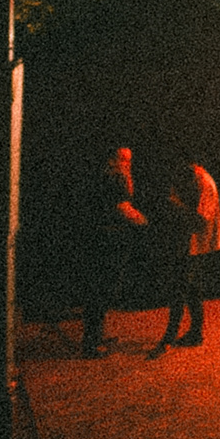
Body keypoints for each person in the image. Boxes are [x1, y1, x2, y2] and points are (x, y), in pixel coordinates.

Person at [77, 145, 148, 355]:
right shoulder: (114, 179)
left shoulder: (111, 177)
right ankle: (91, 343)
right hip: (108, 239)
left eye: (129, 160)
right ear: (112, 160)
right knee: (102, 289)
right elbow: (122, 206)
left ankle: (96, 335)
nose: (127, 164)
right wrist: (143, 221)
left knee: (102, 289)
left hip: (105, 237)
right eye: (123, 159)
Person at [148, 155, 218, 353]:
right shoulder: (193, 180)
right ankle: (195, 333)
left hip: (195, 243)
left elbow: (202, 219)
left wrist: (176, 205)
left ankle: (170, 335)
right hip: (187, 242)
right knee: (191, 287)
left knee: (180, 287)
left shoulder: (205, 184)